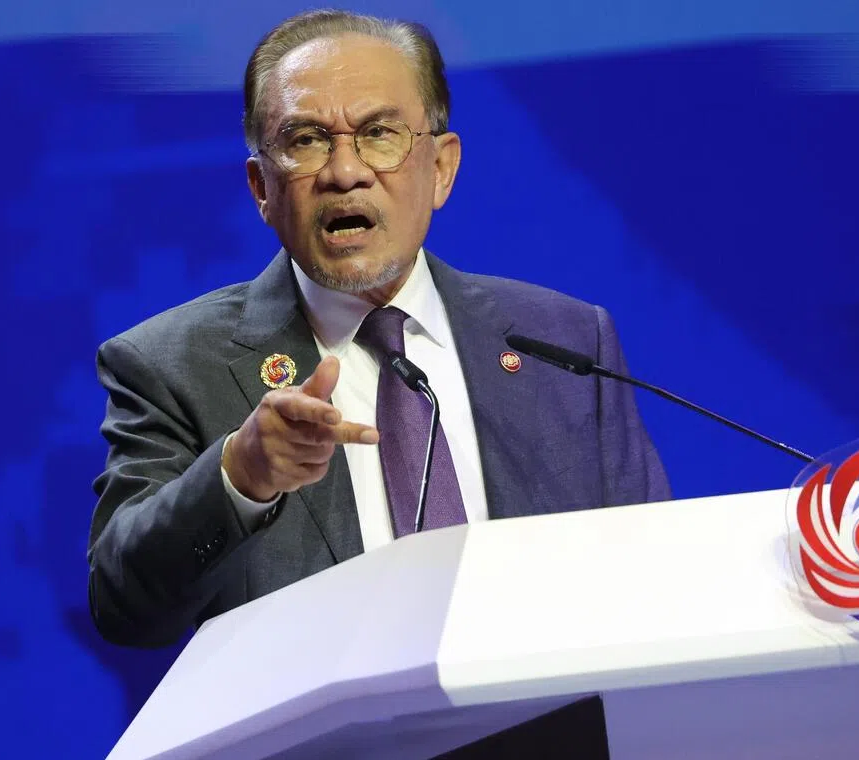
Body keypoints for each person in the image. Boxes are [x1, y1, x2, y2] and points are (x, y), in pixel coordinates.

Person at [87, 9, 670, 757]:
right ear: (261, 187)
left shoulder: (566, 341)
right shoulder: (171, 364)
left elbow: (649, 581)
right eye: (305, 140)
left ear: (442, 168)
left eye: (380, 133)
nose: (344, 170)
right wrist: (241, 475)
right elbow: (125, 605)